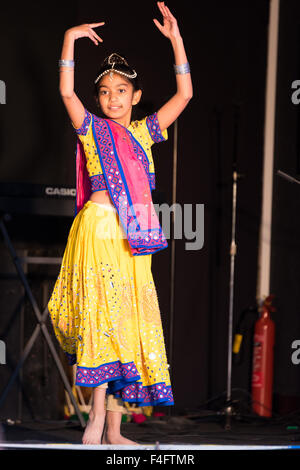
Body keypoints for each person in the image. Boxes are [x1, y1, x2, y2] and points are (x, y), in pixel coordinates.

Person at [48, 1, 192, 446]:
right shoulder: (90, 128)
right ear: (100, 99)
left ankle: (114, 430)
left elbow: (185, 96)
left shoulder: (145, 133)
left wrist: (176, 40)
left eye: (122, 91)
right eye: (106, 92)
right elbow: (67, 94)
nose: (113, 98)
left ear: (134, 96)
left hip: (134, 239)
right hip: (100, 232)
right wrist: (70, 39)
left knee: (127, 324)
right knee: (102, 320)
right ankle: (94, 422)